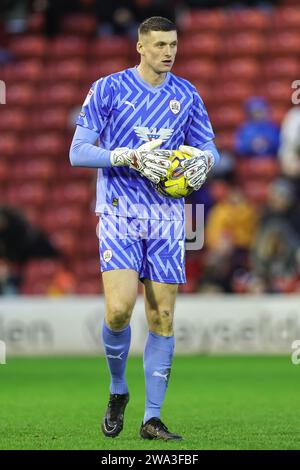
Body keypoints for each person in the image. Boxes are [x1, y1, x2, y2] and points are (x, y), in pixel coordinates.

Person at [69, 16, 220, 441]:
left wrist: (203, 162)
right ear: (140, 47)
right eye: (159, 45)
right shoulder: (109, 88)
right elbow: (77, 153)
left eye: (173, 44)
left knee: (163, 315)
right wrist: (129, 157)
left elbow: (211, 149)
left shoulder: (187, 95)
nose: (168, 52)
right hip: (119, 213)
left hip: (169, 217)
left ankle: (151, 417)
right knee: (119, 310)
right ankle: (118, 389)